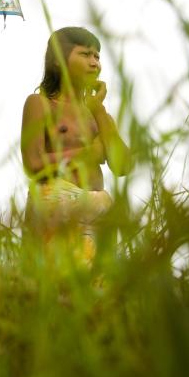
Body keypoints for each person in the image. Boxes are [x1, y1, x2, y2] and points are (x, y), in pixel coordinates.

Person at [20, 27, 131, 251]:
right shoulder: (40, 104)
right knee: (55, 280)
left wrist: (98, 111)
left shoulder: (99, 116)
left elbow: (123, 166)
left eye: (97, 56)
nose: (94, 62)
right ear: (58, 61)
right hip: (54, 210)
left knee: (96, 282)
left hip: (95, 218)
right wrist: (89, 153)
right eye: (85, 54)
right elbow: (34, 164)